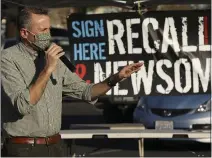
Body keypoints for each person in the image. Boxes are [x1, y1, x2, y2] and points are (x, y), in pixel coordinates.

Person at [1, 7, 143, 157]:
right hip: (24, 148)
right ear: (24, 33)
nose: (47, 35)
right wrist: (48, 69)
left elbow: (87, 92)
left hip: (55, 146)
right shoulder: (8, 59)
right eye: (42, 30)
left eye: (49, 29)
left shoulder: (55, 60)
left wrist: (116, 78)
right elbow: (23, 105)